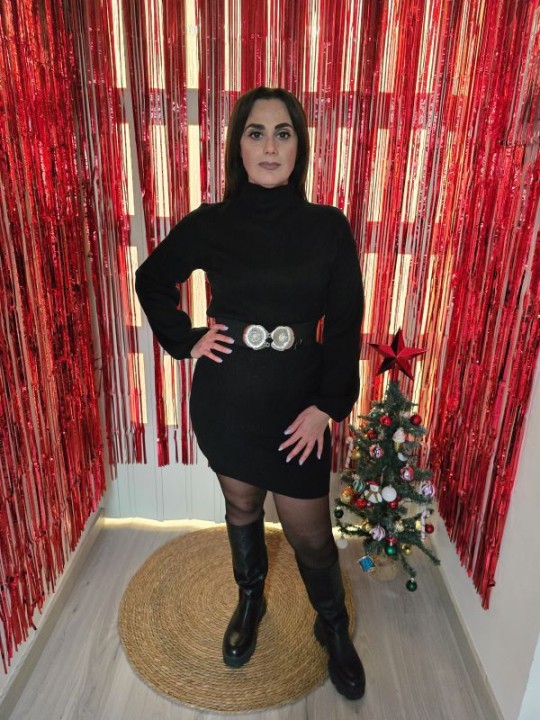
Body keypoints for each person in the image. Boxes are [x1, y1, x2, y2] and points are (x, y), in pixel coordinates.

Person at [135, 87, 365, 700]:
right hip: (228, 403)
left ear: (299, 147)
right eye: (256, 132)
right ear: (238, 146)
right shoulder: (212, 222)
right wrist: (187, 339)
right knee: (241, 507)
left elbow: (346, 325)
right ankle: (250, 600)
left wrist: (327, 408)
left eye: (282, 133)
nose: (269, 146)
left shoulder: (327, 227)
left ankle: (332, 625)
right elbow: (151, 278)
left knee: (309, 532)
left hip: (299, 410)